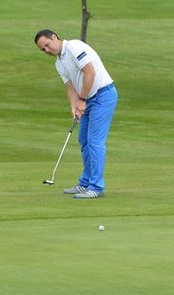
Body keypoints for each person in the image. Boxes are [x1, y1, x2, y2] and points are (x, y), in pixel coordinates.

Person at [34, 30, 118, 199]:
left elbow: (90, 72)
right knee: (84, 141)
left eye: (47, 45)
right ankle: (85, 183)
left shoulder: (74, 47)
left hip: (103, 95)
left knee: (95, 142)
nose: (47, 51)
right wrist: (74, 106)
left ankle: (96, 187)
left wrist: (82, 99)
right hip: (87, 99)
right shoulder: (59, 63)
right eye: (43, 50)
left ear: (55, 37)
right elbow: (70, 86)